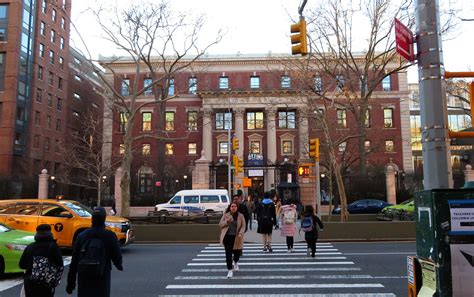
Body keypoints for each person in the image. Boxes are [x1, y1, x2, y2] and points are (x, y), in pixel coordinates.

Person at [66, 207, 123, 297]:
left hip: (84, 274)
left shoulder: (82, 235)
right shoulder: (110, 235)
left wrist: (71, 282)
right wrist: (119, 265)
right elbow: (116, 255)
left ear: (92, 218)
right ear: (104, 218)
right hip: (102, 273)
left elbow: (75, 259)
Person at [19, 224, 64, 297]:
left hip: (30, 282)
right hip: (46, 282)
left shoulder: (30, 246)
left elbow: (21, 265)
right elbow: (60, 266)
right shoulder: (53, 247)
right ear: (50, 233)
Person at [219, 202, 246, 278]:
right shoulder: (226, 215)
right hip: (227, 237)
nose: (233, 207)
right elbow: (220, 224)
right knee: (228, 254)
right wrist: (227, 222)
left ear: (237, 207)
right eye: (232, 206)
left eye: (235, 206)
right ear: (230, 207)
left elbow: (243, 226)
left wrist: (241, 233)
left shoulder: (240, 216)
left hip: (237, 237)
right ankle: (230, 270)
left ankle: (236, 262)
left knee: (237, 253)